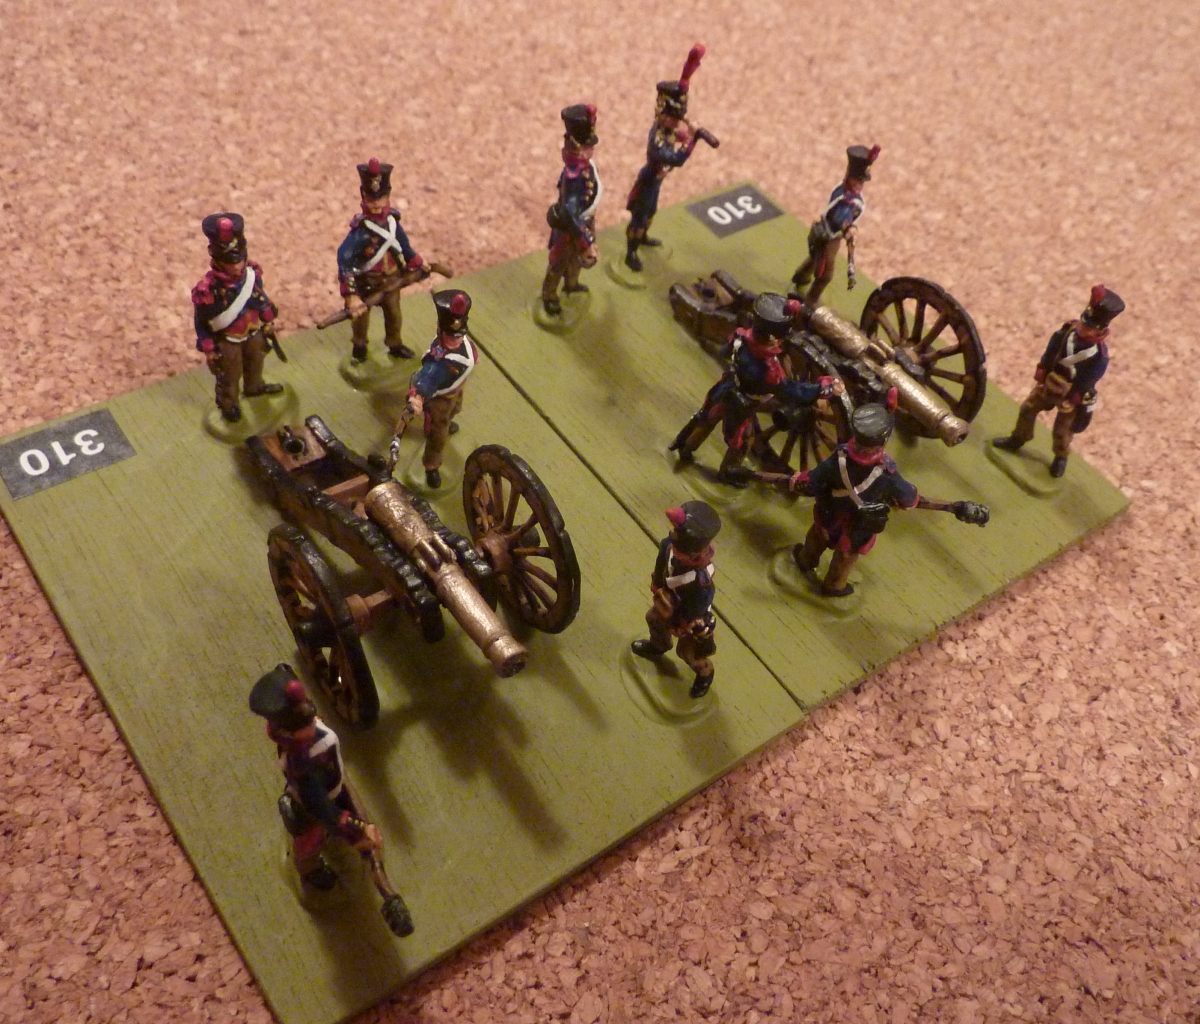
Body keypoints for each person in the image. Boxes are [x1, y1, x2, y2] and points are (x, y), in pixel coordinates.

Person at [790, 396, 989, 595]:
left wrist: (799, 481)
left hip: (829, 512)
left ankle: (805, 560)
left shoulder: (840, 456)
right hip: (856, 526)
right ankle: (833, 586)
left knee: (818, 535)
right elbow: (909, 498)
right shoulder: (887, 473)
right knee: (846, 556)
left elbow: (815, 478)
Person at [669, 293, 844, 482]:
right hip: (742, 404)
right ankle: (727, 472)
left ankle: (686, 448)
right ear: (774, 338)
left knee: (707, 419)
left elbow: (724, 352)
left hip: (725, 387)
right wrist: (822, 388)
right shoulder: (770, 371)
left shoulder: (739, 338)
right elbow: (790, 390)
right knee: (742, 441)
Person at [248, 664, 381, 892]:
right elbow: (322, 809)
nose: (313, 724)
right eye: (306, 723)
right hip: (309, 812)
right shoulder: (302, 766)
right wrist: (358, 829)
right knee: (309, 845)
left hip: (330, 787)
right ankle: (310, 873)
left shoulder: (308, 736)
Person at [992, 285, 1124, 477]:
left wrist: (1074, 397)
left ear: (1098, 331)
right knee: (1028, 408)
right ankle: (1018, 438)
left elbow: (1089, 380)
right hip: (1051, 382)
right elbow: (1052, 350)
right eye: (1083, 322)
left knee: (1062, 431)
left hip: (1071, 393)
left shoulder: (1098, 356)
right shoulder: (1067, 332)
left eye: (1087, 327)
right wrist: (1043, 369)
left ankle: (1061, 457)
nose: (1082, 327)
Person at [624, 44, 719, 271]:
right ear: (662, 114)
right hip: (649, 179)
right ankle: (631, 252)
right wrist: (692, 141)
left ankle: (643, 237)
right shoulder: (657, 138)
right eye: (673, 118)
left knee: (651, 213)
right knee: (639, 217)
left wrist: (686, 134)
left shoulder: (667, 130)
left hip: (658, 180)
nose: (677, 122)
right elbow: (676, 159)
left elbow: (676, 135)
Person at [191, 213, 283, 422]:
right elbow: (201, 321)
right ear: (217, 260)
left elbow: (259, 298)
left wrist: (268, 320)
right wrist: (209, 349)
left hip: (253, 332)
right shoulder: (209, 289)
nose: (236, 265)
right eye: (229, 261)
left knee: (256, 361)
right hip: (228, 340)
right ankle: (228, 403)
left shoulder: (251, 276)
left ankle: (254, 387)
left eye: (240, 259)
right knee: (230, 375)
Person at [336, 158, 426, 361]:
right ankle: (359, 346)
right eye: (371, 198)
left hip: (391, 280)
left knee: (394, 315)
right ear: (363, 196)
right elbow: (344, 259)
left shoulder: (393, 222)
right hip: (367, 282)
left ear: (388, 196)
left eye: (381, 197)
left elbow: (403, 245)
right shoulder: (361, 230)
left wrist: (417, 262)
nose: (376, 203)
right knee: (361, 319)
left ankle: (394, 344)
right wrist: (351, 295)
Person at [632, 501, 722, 699]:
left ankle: (705, 673)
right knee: (653, 619)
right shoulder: (668, 546)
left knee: (689, 654)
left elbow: (697, 608)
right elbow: (661, 566)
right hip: (668, 603)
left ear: (695, 552)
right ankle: (658, 646)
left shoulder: (700, 582)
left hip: (690, 620)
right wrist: (657, 587)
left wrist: (680, 624)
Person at [393, 289, 477, 489]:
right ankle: (431, 467)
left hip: (455, 390)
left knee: (455, 409)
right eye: (451, 336)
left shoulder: (463, 344)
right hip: (439, 399)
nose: (455, 340)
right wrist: (417, 397)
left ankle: (448, 422)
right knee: (438, 436)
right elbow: (426, 379)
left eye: (457, 336)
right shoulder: (438, 361)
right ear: (442, 332)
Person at [790, 144, 880, 307]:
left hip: (834, 236)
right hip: (828, 235)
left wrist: (852, 229)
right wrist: (849, 229)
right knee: (825, 274)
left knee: (815, 257)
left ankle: (801, 276)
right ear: (850, 177)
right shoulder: (843, 197)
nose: (860, 184)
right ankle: (810, 302)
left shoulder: (853, 197)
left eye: (862, 181)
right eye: (858, 180)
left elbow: (851, 217)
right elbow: (837, 219)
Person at [541, 104, 601, 315]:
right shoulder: (574, 176)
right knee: (559, 263)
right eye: (587, 145)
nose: (591, 148)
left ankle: (571, 284)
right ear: (577, 148)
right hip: (571, 228)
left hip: (584, 220)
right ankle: (549, 295)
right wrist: (587, 241)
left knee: (575, 261)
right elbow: (569, 213)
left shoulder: (586, 168)